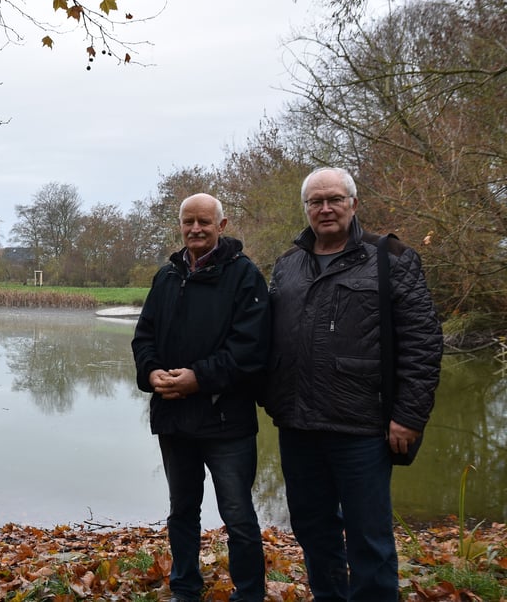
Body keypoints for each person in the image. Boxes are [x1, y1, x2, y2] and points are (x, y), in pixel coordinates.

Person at [260, 167, 442, 601]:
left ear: (353, 204)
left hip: (362, 428)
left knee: (369, 536)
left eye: (335, 199)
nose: (325, 208)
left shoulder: (391, 258)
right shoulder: (288, 265)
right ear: (306, 209)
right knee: (312, 529)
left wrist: (409, 416)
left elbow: (422, 342)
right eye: (316, 201)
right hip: (298, 426)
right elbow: (266, 337)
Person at [132, 193, 270, 602]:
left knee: (238, 515)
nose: (195, 229)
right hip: (174, 418)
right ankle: (185, 589)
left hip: (227, 421)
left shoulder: (245, 276)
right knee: (182, 511)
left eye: (204, 222)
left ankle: (249, 594)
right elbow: (144, 336)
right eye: (188, 222)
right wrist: (151, 371)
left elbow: (251, 350)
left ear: (221, 226)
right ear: (180, 226)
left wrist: (198, 379)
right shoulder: (167, 276)